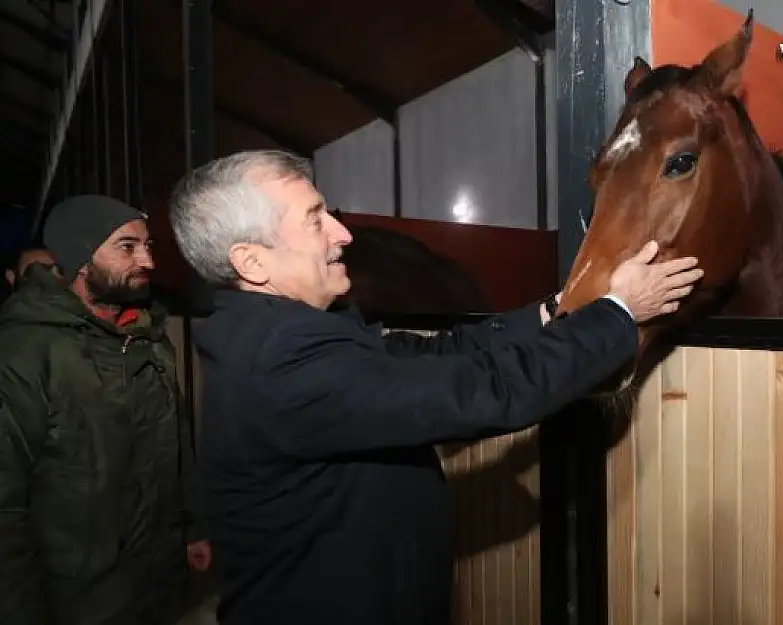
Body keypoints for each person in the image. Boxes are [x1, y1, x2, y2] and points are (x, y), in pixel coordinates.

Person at [167, 149, 703, 625]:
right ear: (252, 262)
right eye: (315, 220)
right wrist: (619, 312)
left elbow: (432, 357)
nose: (342, 233)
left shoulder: (281, 336)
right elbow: (487, 392)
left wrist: (553, 311)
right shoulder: (287, 363)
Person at [0, 195, 212, 625]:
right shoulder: (26, 352)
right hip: (78, 601)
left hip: (157, 583)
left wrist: (193, 527)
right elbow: (6, 503)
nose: (148, 260)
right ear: (81, 257)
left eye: (148, 246)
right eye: (127, 247)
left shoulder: (148, 337)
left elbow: (175, 445)